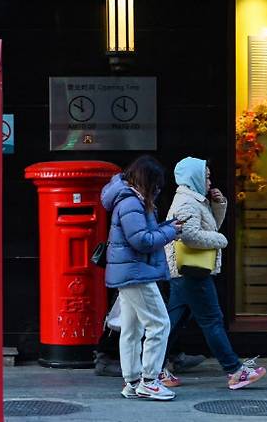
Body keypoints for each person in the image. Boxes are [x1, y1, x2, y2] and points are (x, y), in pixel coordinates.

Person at [163, 157, 266, 390]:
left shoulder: (195, 199)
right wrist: (221, 241)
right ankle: (234, 370)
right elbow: (188, 236)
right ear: (194, 177)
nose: (209, 181)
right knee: (212, 320)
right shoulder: (188, 202)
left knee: (173, 322)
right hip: (192, 272)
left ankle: (153, 369)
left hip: (184, 271)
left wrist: (218, 205)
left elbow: (208, 227)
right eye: (206, 176)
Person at [100, 155, 182, 401]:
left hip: (130, 272)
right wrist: (171, 231)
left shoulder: (127, 199)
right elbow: (142, 241)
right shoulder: (130, 203)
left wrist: (167, 225)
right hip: (137, 273)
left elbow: (141, 234)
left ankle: (133, 381)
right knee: (159, 324)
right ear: (147, 181)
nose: (157, 190)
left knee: (132, 329)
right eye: (156, 184)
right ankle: (150, 380)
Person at [93, 288, 206, 377]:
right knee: (152, 323)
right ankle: (148, 376)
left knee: (133, 322)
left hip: (139, 269)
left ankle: (137, 377)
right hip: (137, 270)